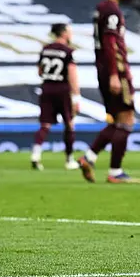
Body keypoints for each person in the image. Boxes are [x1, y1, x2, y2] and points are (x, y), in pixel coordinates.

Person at [77, 0, 140, 184]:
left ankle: (89, 158)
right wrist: (115, 74)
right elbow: (110, 44)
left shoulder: (101, 8)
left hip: (103, 70)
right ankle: (115, 172)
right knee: (127, 119)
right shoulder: (112, 10)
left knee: (117, 119)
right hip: (116, 71)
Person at [31, 23, 80, 171]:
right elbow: (72, 75)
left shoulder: (45, 49)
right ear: (64, 33)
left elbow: (40, 71)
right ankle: (69, 160)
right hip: (62, 89)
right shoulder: (68, 51)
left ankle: (36, 155)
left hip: (46, 87)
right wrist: (76, 97)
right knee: (69, 124)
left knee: (45, 124)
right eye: (69, 31)